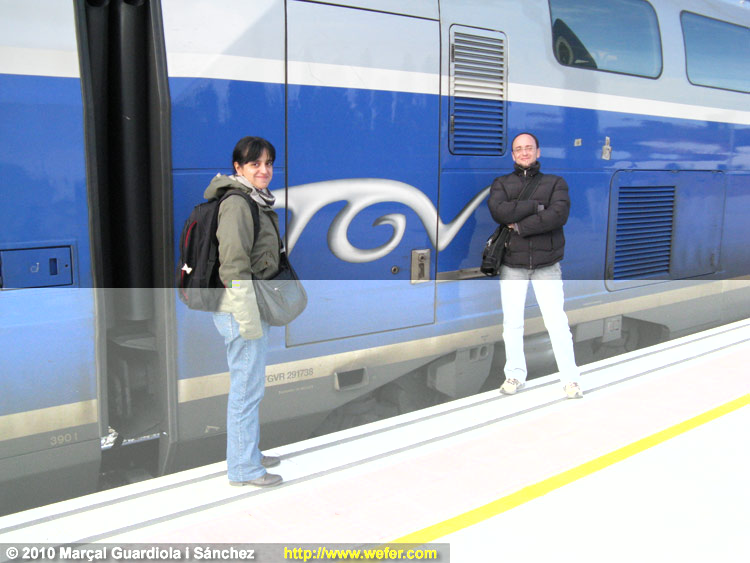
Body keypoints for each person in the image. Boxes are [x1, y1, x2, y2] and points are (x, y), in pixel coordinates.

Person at [206, 136, 284, 486]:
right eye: (255, 164)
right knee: (246, 389)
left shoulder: (252, 199)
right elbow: (234, 268)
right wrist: (248, 319)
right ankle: (243, 468)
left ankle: (248, 452)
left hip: (247, 304)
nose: (264, 170)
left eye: (268, 163)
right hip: (241, 308)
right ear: (238, 167)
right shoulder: (239, 204)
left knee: (250, 385)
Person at [488, 132, 583, 399]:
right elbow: (499, 212)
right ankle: (515, 375)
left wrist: (519, 225)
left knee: (557, 322)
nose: (524, 153)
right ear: (513, 155)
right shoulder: (501, 183)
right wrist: (537, 207)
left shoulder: (556, 183)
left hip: (546, 264)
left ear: (538, 152)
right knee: (512, 324)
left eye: (529, 148)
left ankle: (571, 379)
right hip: (512, 263)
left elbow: (558, 215)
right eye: (519, 149)